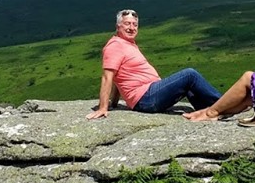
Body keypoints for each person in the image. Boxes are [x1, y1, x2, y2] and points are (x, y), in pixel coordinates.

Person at [86, 8, 222, 119]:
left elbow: (118, 77)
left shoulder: (127, 44)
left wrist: (114, 103)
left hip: (149, 94)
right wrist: (103, 107)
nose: (131, 28)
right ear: (117, 26)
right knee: (190, 75)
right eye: (127, 24)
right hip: (146, 98)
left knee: (190, 87)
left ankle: (211, 111)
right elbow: (108, 77)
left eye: (135, 24)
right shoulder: (115, 46)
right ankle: (228, 103)